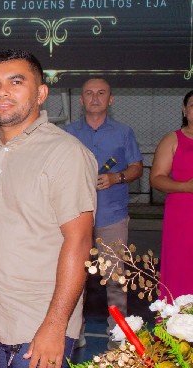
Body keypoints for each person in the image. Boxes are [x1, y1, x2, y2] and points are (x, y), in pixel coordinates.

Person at [0, 49, 97, 368]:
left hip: (38, 326)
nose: (2, 92)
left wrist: (55, 325)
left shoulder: (65, 153)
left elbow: (80, 241)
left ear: (41, 93)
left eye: (16, 82)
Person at [65, 78, 143, 338]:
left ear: (111, 99)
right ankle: (74, 334)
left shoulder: (124, 132)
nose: (95, 98)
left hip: (112, 216)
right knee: (73, 277)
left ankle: (118, 333)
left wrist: (116, 177)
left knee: (115, 279)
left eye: (101, 93)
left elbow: (136, 168)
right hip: (75, 217)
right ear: (81, 100)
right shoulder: (67, 133)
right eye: (89, 93)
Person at [150, 90, 193, 298]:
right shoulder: (173, 139)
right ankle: (177, 318)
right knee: (181, 269)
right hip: (183, 216)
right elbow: (156, 178)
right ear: (184, 110)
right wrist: (186, 187)